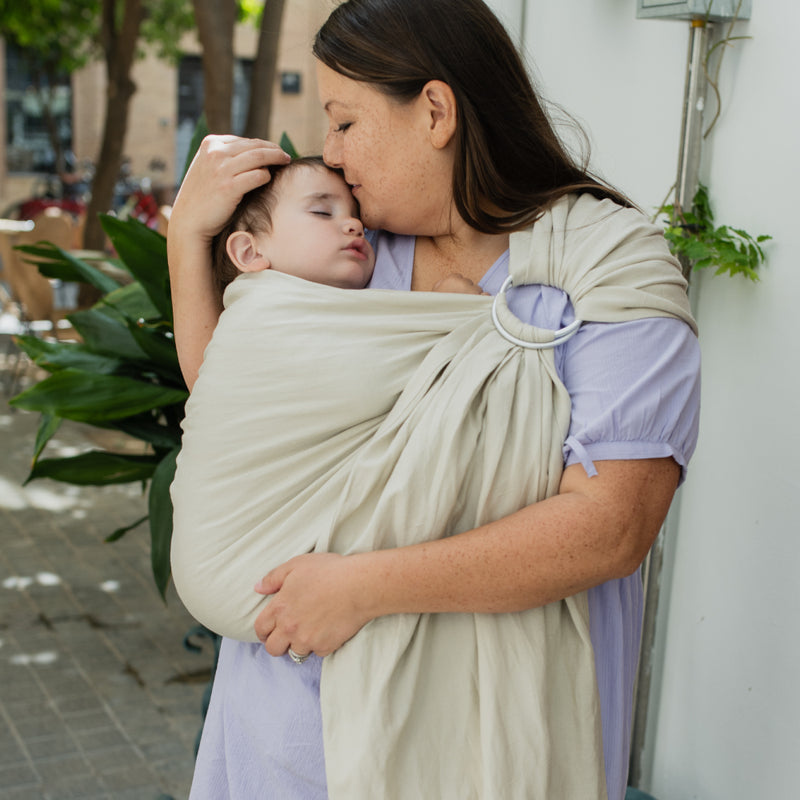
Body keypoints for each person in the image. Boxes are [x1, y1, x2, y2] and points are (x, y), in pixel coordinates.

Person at [166, 1, 701, 798]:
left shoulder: (607, 270)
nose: (332, 154)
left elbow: (611, 526)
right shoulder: (351, 248)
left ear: (436, 111)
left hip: (488, 745)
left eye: (345, 123)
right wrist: (186, 238)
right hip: (286, 730)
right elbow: (241, 405)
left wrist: (362, 586)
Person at [209, 155, 376, 295]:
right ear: (249, 252)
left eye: (359, 219)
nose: (356, 224)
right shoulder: (252, 321)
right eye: (322, 212)